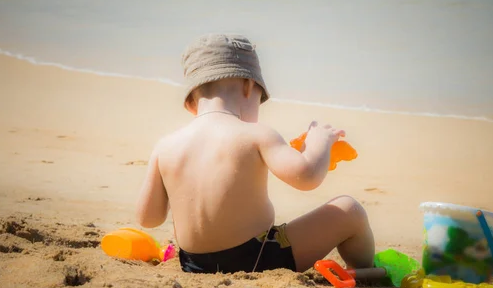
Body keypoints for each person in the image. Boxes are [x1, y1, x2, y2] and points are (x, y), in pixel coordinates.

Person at [136, 34, 375, 274]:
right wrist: (319, 143)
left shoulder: (165, 146)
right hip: (255, 259)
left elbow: (148, 218)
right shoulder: (257, 134)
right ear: (249, 87)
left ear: (190, 104)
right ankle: (363, 269)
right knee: (349, 210)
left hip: (193, 263)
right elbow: (307, 175)